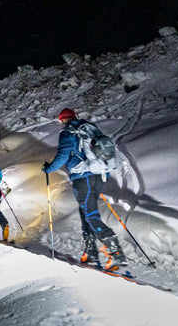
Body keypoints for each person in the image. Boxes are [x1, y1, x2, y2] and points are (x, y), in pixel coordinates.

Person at [42, 108, 127, 270]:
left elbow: (63, 156)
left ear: (62, 120)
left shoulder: (68, 133)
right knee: (85, 212)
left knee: (90, 214)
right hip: (99, 176)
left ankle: (116, 253)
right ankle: (91, 253)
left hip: (83, 177)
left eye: (60, 122)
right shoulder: (88, 128)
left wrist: (48, 169)